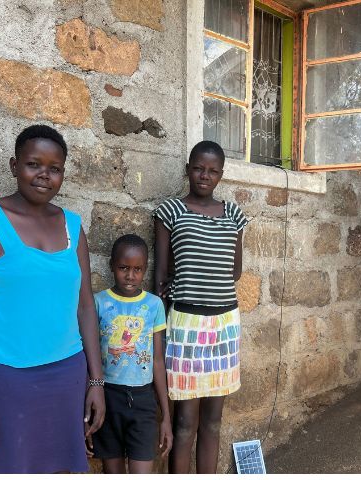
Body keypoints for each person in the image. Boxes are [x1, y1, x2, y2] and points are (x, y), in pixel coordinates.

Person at [0, 125, 105, 474]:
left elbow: (84, 308)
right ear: (13, 165)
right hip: (7, 382)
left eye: (55, 168)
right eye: (34, 164)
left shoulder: (72, 228)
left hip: (68, 376)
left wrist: (96, 381)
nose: (44, 176)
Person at [153, 141, 248, 474]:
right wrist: (159, 331)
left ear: (221, 174)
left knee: (213, 421)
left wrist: (206, 273)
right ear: (188, 168)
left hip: (223, 325)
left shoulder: (234, 214)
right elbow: (161, 275)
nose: (204, 176)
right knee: (184, 422)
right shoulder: (171, 212)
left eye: (212, 171)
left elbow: (235, 270)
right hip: (185, 324)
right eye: (198, 168)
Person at [88, 234, 173, 473]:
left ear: (145, 269)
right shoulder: (98, 303)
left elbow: (157, 361)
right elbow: (89, 357)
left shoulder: (154, 305)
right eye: (123, 268)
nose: (130, 276)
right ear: (111, 266)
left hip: (144, 401)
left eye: (137, 269)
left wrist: (165, 416)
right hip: (107, 399)